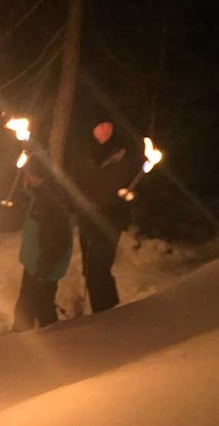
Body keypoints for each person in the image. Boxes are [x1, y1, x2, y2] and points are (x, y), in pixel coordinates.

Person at [70, 119, 142, 313]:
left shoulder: (122, 153)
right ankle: (108, 311)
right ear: (92, 128)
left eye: (109, 126)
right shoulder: (81, 151)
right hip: (87, 216)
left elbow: (132, 180)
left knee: (99, 269)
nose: (105, 130)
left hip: (110, 217)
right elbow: (73, 180)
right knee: (89, 269)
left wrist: (128, 195)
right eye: (101, 126)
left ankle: (106, 314)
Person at [12, 151, 73, 331]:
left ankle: (45, 340)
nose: (25, 177)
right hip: (35, 264)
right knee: (29, 306)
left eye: (28, 174)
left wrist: (43, 269)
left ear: (37, 175)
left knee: (39, 307)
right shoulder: (40, 194)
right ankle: (22, 338)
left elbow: (58, 240)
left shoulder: (51, 201)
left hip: (43, 267)